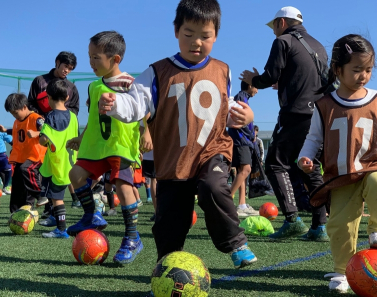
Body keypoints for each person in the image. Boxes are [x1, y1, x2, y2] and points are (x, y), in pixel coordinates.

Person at [98, 0, 257, 269]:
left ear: (216, 35)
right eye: (188, 34)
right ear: (176, 32)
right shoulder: (157, 72)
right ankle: (167, 269)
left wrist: (245, 115)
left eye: (205, 36)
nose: (197, 42)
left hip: (212, 150)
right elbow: (136, 103)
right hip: (174, 161)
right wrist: (116, 105)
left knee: (213, 187)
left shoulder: (223, 69)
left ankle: (236, 243)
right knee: (169, 226)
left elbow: (223, 105)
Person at [298, 34, 377, 293]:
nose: (363, 75)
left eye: (368, 69)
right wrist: (305, 157)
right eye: (357, 69)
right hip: (340, 175)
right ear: (338, 69)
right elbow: (313, 137)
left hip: (374, 166)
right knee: (339, 226)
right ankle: (342, 271)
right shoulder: (325, 104)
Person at [240, 6, 328, 240]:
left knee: (275, 164)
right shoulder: (318, 46)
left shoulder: (284, 42)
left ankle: (292, 219)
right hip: (318, 115)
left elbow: (269, 76)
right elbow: (316, 80)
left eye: (274, 27)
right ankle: (320, 226)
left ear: (281, 22)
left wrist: (252, 79)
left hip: (295, 114)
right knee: (310, 166)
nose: (273, 32)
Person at [65, 30, 142, 265]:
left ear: (115, 59)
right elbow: (94, 118)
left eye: (96, 57)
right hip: (97, 146)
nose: (91, 62)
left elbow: (144, 112)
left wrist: (147, 134)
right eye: (90, 56)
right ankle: (91, 216)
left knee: (121, 185)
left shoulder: (130, 84)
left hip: (120, 145)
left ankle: (132, 237)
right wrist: (82, 136)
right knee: (75, 174)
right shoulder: (94, 86)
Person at [27, 51, 81, 211]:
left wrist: (56, 120)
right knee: (44, 169)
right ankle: (48, 209)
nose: (67, 71)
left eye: (70, 69)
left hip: (60, 135)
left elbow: (74, 110)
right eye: (66, 66)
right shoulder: (40, 81)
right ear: (57, 62)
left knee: (59, 170)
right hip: (42, 131)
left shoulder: (71, 87)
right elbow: (31, 104)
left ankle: (56, 209)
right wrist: (40, 120)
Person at [36, 80, 78, 239]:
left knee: (56, 197)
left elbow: (43, 140)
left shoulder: (51, 117)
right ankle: (54, 217)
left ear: (48, 98)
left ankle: (61, 230)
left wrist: (41, 131)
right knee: (52, 192)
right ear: (67, 97)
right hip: (69, 162)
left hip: (56, 164)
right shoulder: (73, 116)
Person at [0, 93, 47, 213]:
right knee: (17, 185)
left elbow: (48, 131)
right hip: (21, 157)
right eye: (12, 113)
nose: (14, 116)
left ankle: (40, 194)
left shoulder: (36, 119)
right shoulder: (17, 121)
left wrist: (36, 134)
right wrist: (5, 131)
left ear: (25, 107)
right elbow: (19, 131)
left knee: (26, 170)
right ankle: (15, 213)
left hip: (35, 156)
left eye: (15, 112)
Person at [228, 81, 260, 217]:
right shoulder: (241, 97)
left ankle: (241, 204)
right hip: (241, 139)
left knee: (243, 171)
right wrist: (251, 134)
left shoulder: (242, 97)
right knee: (246, 169)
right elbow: (240, 118)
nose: (257, 91)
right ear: (250, 86)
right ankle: (227, 200)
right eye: (257, 87)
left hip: (241, 139)